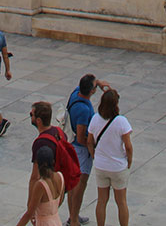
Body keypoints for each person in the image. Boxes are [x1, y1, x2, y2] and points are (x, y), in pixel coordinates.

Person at [87, 88, 132, 226]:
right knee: (121, 201)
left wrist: (94, 155)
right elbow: (128, 146)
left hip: (101, 165)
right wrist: (129, 161)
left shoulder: (95, 119)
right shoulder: (121, 121)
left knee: (101, 200)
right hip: (117, 166)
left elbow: (89, 141)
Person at [66, 74, 105, 226]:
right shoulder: (82, 109)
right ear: (92, 91)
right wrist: (93, 147)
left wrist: (99, 83)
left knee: (72, 185)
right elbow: (81, 137)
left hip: (73, 147)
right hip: (80, 151)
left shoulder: (76, 93)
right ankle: (74, 219)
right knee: (79, 187)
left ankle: (73, 216)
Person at [13, 143, 64, 226]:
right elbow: (60, 201)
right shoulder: (60, 176)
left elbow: (29, 213)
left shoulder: (40, 185)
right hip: (56, 221)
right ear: (53, 161)